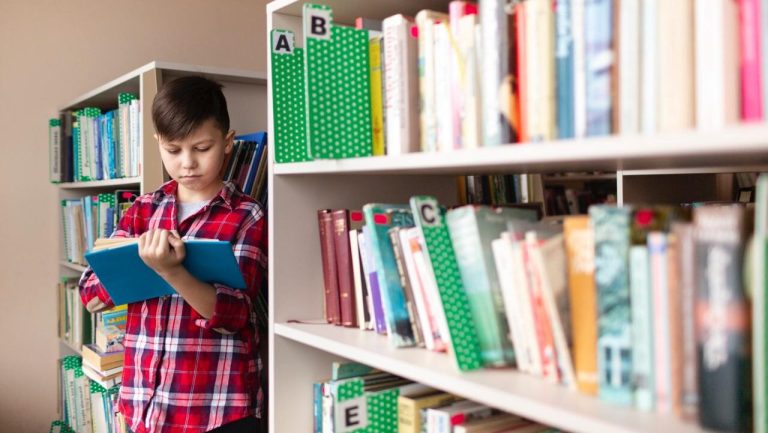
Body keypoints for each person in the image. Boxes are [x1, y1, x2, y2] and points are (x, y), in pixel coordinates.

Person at [79, 76, 267, 433]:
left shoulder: (246, 214)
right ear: (158, 144)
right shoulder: (144, 210)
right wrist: (129, 268)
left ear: (227, 143)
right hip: (145, 404)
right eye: (173, 149)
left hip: (219, 409)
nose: (187, 163)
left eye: (201, 148)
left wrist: (171, 271)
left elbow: (235, 315)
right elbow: (90, 293)